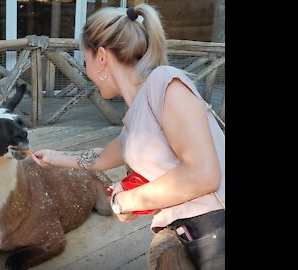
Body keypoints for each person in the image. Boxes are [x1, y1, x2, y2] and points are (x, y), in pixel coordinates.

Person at [30, 3, 225, 270]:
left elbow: (203, 174)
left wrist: (125, 201)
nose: (86, 71)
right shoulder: (135, 119)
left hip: (214, 231)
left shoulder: (164, 81)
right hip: (193, 235)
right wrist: (53, 158)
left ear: (101, 58)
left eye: (84, 60)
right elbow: (101, 157)